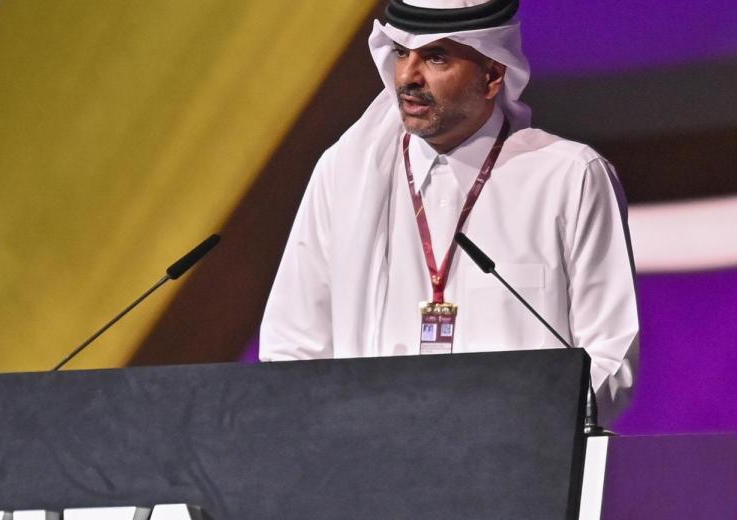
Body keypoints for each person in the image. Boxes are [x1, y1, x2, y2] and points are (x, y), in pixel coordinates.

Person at [260, 0, 639, 426]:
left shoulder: (569, 178)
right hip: (367, 453)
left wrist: (524, 430)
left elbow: (611, 356)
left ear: (492, 75)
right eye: (401, 53)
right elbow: (291, 348)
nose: (407, 77)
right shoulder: (345, 173)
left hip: (518, 456)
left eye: (435, 57)